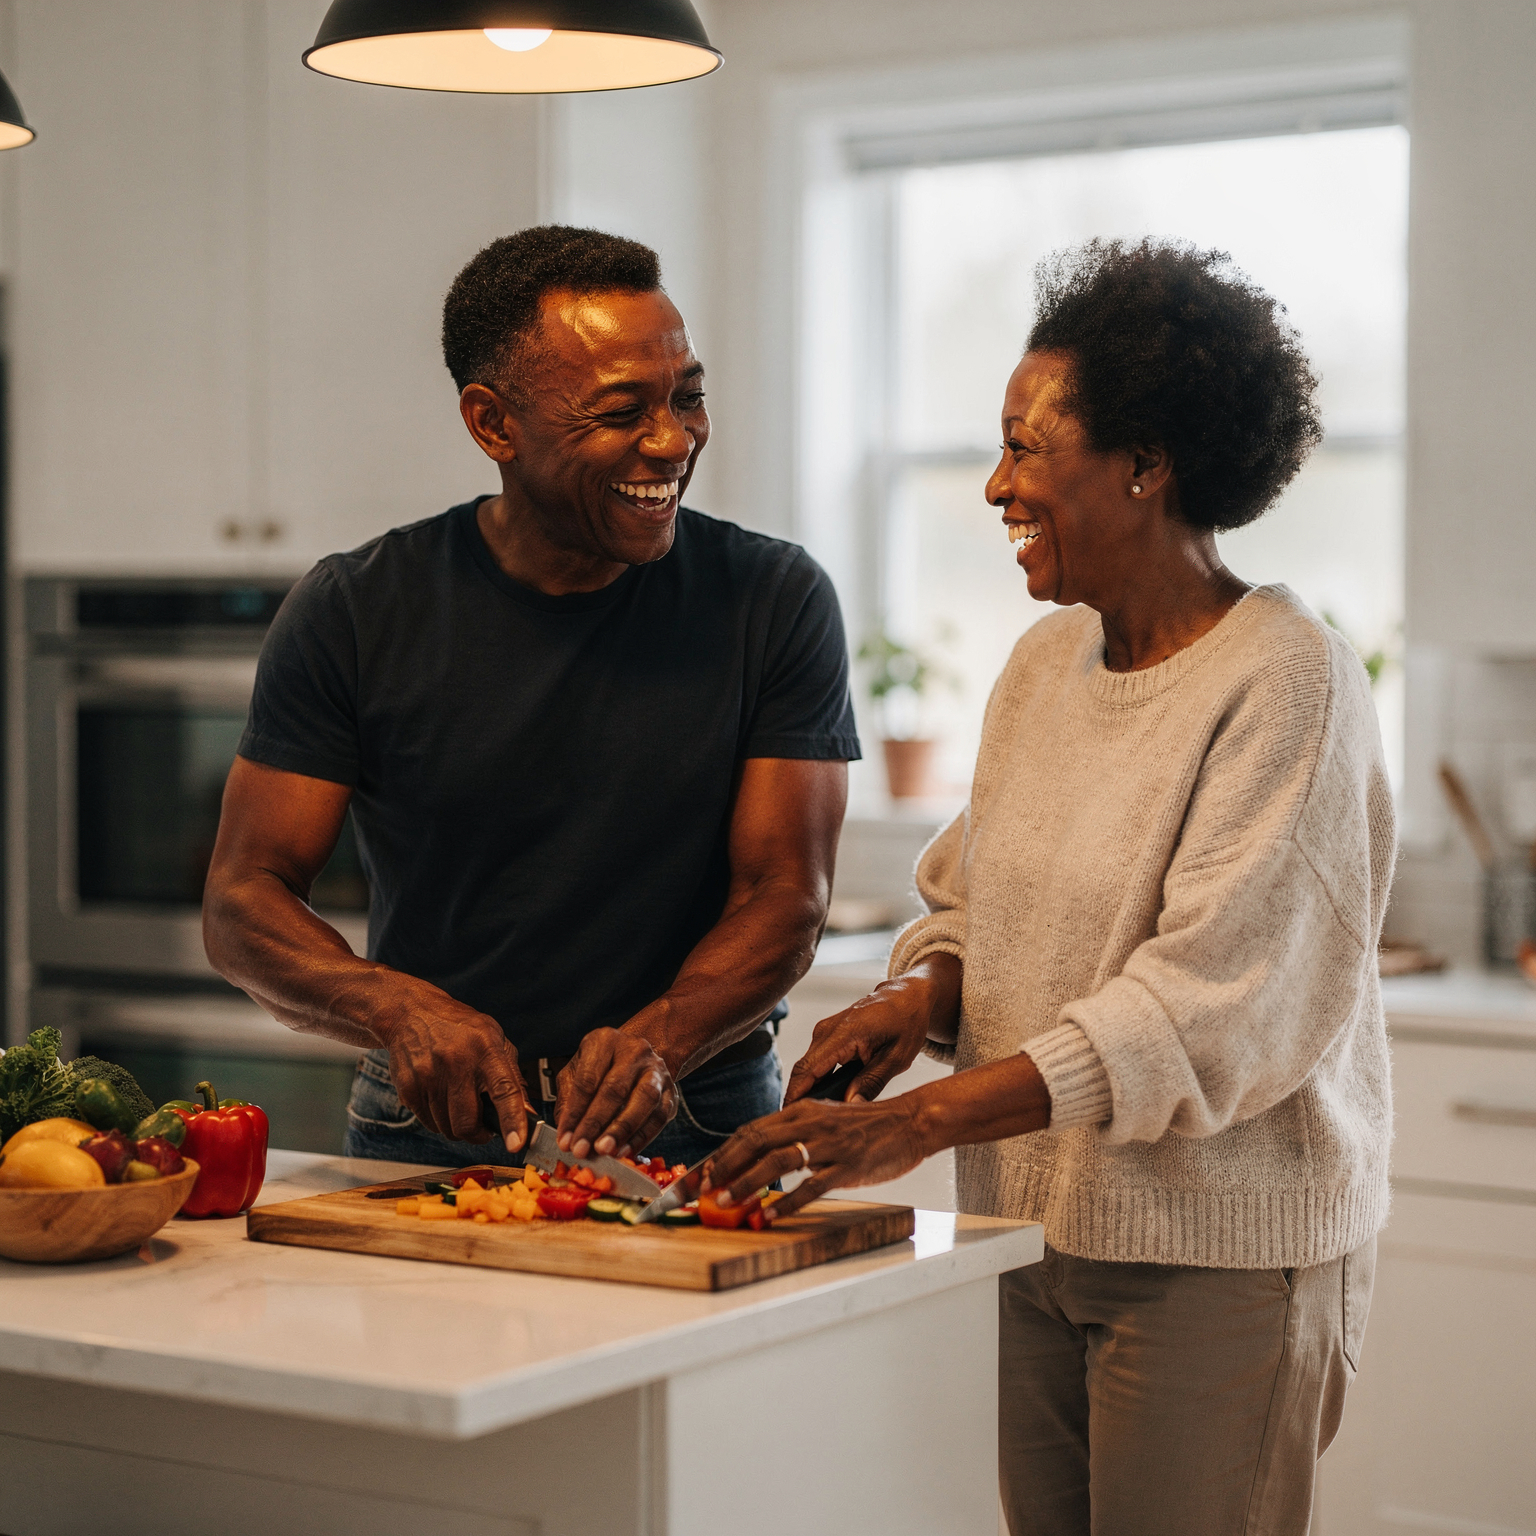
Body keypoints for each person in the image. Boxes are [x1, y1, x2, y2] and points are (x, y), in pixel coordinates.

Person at [702, 238, 1394, 1536]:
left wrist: (919, 1126)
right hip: (1036, 1231)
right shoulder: (1042, 665)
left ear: (1146, 464)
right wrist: (915, 999)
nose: (996, 485)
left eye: (1027, 448)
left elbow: (1206, 1009)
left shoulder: (1288, 676)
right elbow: (981, 905)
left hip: (1215, 1257)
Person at [203, 225, 860, 1171]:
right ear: (493, 425)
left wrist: (661, 1040)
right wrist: (397, 1009)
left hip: (698, 1112)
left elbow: (784, 894)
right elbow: (243, 899)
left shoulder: (773, 598)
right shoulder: (356, 608)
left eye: (688, 396)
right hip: (432, 1123)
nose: (673, 440)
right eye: (622, 411)